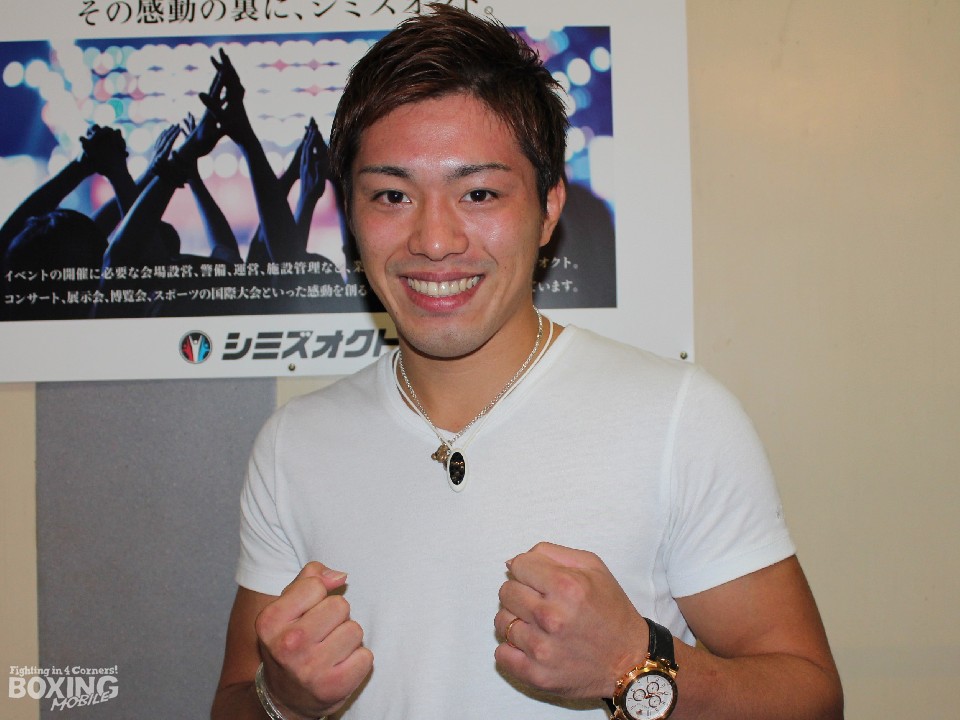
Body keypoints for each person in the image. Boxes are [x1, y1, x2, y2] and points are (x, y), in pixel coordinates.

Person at [212, 5, 843, 720]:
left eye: (479, 193)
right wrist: (283, 701)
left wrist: (634, 666)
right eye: (392, 195)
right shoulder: (294, 443)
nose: (435, 239)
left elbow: (811, 698)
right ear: (352, 216)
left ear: (547, 209)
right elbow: (234, 699)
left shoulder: (678, 417)